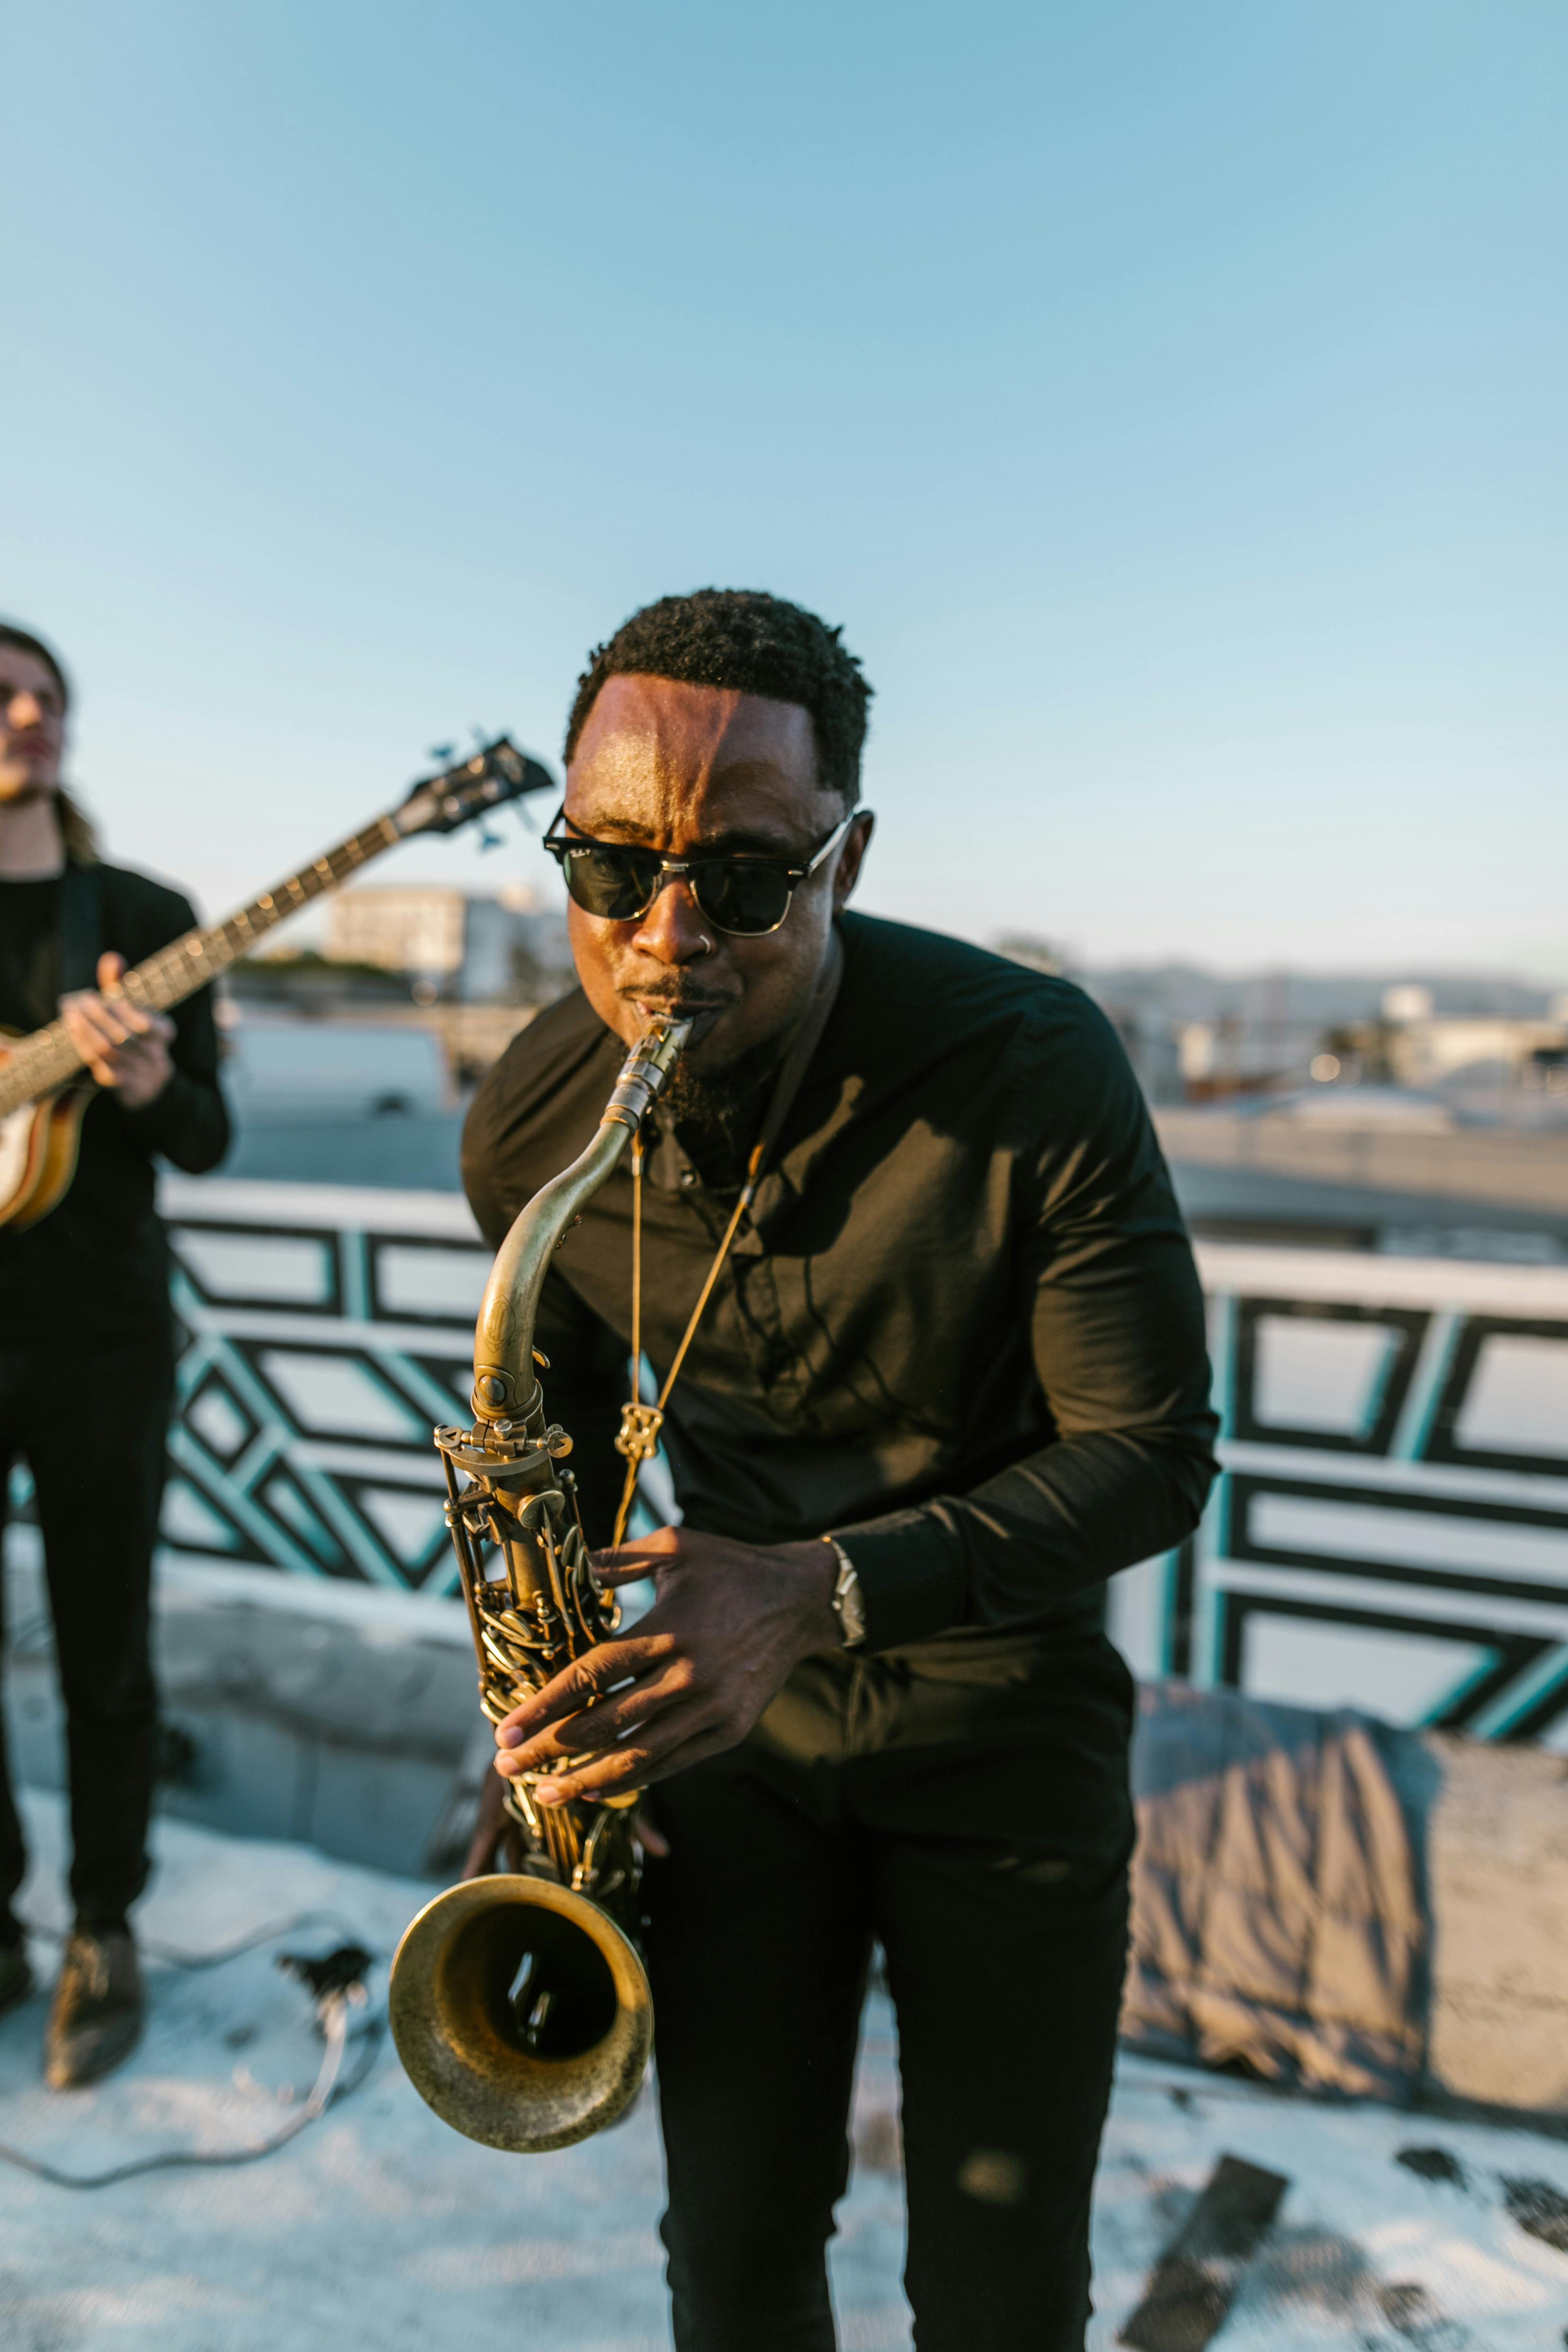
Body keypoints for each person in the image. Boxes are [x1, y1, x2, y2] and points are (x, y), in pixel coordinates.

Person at [461, 589, 1217, 2352]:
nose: (665, 940)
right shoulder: (526, 1123)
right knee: (726, 2254)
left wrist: (821, 1589)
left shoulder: (1037, 1065)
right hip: (725, 1747)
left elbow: (1152, 1455)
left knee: (999, 2285)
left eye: (742, 879)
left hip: (1001, 1715)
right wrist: (530, 1736)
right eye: (609, 868)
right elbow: (549, 1463)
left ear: (846, 860)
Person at [0, 622, 229, 2085]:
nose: (30, 711)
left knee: (107, 1652)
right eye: (5, 694)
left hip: (101, 1345)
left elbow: (208, 1138)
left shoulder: (144, 916)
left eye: (47, 696)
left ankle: (104, 1930)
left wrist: (147, 1082)